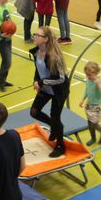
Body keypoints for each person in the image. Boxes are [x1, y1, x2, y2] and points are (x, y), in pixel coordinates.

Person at [30, 26, 70, 157]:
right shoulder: (36, 52)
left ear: (46, 39)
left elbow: (60, 78)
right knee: (34, 112)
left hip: (59, 90)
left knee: (55, 117)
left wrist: (41, 82)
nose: (35, 36)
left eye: (38, 35)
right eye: (35, 34)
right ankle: (54, 126)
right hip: (46, 88)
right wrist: (36, 81)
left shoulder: (54, 57)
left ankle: (60, 145)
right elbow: (38, 69)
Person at [79, 62, 101, 146]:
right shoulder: (88, 80)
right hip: (89, 105)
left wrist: (98, 86)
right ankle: (93, 138)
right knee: (89, 124)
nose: (87, 76)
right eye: (86, 74)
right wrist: (82, 99)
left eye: (89, 75)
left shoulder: (100, 82)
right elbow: (87, 90)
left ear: (96, 73)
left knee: (93, 124)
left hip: (98, 107)